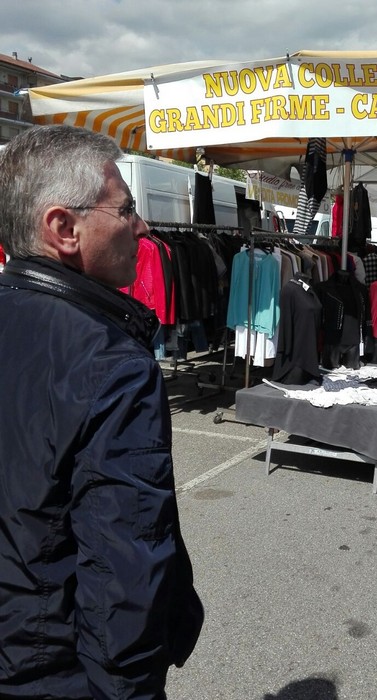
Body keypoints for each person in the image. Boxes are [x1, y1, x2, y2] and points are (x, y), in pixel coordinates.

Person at [0, 125, 204, 698]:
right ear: (64, 228)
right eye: (126, 209)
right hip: (56, 669)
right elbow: (124, 569)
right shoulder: (112, 364)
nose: (142, 228)